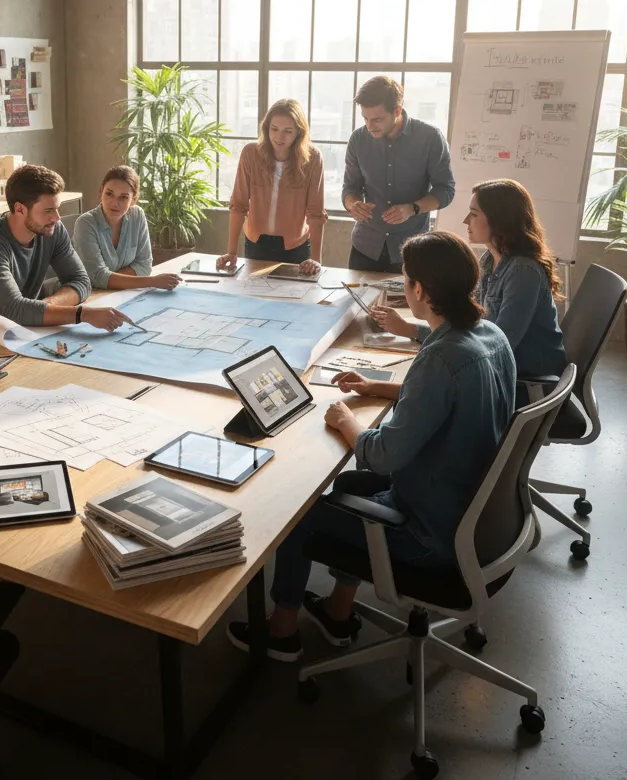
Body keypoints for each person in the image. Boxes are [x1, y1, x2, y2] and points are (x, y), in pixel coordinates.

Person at [226, 231, 516, 662]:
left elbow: (383, 454)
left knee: (297, 511)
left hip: (429, 533)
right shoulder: (491, 335)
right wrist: (380, 387)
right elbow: (448, 399)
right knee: (353, 486)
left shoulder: (438, 361)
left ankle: (282, 631)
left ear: (419, 290)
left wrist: (347, 421)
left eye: (405, 278)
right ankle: (337, 612)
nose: (403, 284)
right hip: (474, 514)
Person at [372, 179, 567, 380]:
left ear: (499, 219)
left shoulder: (523, 272)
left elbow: (497, 346)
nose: (466, 221)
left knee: (423, 378)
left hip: (523, 381)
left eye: (474, 214)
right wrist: (412, 327)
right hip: (496, 367)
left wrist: (414, 331)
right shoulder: (489, 260)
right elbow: (473, 326)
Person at [0, 163, 133, 339]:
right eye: (48, 210)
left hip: (27, 330)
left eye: (57, 208)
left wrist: (44, 307)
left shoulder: (52, 229)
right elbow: (14, 309)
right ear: (20, 209)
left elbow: (81, 281)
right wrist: (83, 314)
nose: (56, 217)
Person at [342, 76, 456, 274]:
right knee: (356, 304)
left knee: (406, 306)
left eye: (377, 119)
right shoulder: (358, 139)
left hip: (412, 249)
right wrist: (354, 205)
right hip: (365, 246)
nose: (369, 126)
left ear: (397, 110)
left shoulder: (430, 138)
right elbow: (350, 188)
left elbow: (446, 189)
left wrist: (413, 208)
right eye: (365, 119)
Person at [217, 99, 326, 273]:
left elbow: (315, 213)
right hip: (255, 244)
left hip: (295, 247)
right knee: (253, 296)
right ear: (266, 127)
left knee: (293, 298)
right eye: (274, 129)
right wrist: (231, 252)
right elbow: (238, 205)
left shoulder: (313, 159)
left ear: (299, 132)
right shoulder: (250, 153)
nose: (279, 137)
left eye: (288, 131)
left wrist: (316, 260)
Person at [72, 166, 181, 291]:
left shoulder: (137, 215)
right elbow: (97, 276)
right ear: (101, 191)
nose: (114, 203)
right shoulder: (85, 223)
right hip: (86, 295)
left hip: (118, 293)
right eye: (109, 194)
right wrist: (153, 281)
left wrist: (111, 280)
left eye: (123, 197)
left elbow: (144, 265)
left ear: (134, 199)